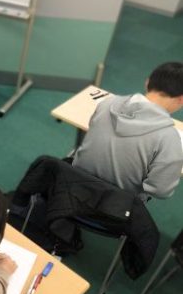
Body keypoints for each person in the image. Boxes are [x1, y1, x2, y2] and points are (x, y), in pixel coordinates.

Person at [73, 61, 183, 201]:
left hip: (73, 184)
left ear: (147, 82)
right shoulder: (169, 138)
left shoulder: (106, 104)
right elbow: (161, 190)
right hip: (116, 204)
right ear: (181, 99)